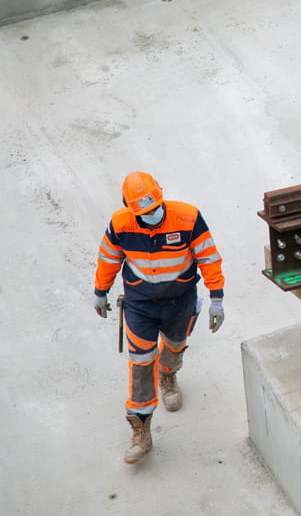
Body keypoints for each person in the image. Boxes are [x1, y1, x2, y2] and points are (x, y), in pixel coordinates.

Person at [93, 171, 225, 464]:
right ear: (130, 208)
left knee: (175, 344)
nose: (152, 214)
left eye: (155, 208)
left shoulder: (188, 218)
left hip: (180, 301)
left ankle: (168, 373)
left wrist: (216, 298)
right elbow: (109, 258)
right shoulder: (120, 224)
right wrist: (100, 291)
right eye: (145, 212)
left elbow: (208, 256)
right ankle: (142, 431)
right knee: (140, 363)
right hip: (141, 304)